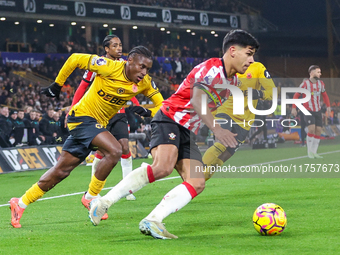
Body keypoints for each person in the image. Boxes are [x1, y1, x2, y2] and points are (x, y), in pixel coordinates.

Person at [87, 29, 258, 239]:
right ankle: (103, 202)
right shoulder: (211, 70)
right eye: (249, 53)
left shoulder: (232, 82)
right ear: (233, 50)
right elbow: (196, 100)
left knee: (197, 182)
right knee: (163, 167)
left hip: (186, 130)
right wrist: (217, 130)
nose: (251, 60)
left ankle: (153, 220)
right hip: (169, 118)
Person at [9, 45, 163, 228]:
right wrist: (58, 84)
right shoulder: (108, 66)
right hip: (81, 118)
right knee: (115, 150)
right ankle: (90, 197)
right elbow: (74, 58)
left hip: (95, 127)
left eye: (147, 69)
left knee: (60, 171)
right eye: (141, 66)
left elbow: (163, 106)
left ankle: (20, 203)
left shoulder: (145, 82)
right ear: (129, 60)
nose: (144, 72)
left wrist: (148, 110)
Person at [203, 61, 276, 180]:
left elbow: (272, 92)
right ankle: (194, 178)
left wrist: (258, 93)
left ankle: (197, 183)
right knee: (221, 143)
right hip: (224, 111)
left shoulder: (257, 67)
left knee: (224, 156)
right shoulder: (226, 67)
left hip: (245, 121)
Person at [291, 65, 331, 158]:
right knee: (311, 129)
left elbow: (325, 95)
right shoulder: (305, 84)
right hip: (308, 110)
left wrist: (328, 106)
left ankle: (314, 152)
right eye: (318, 72)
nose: (320, 74)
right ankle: (309, 152)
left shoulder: (321, 84)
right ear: (312, 73)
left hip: (318, 110)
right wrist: (293, 108)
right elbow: (296, 95)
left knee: (318, 131)